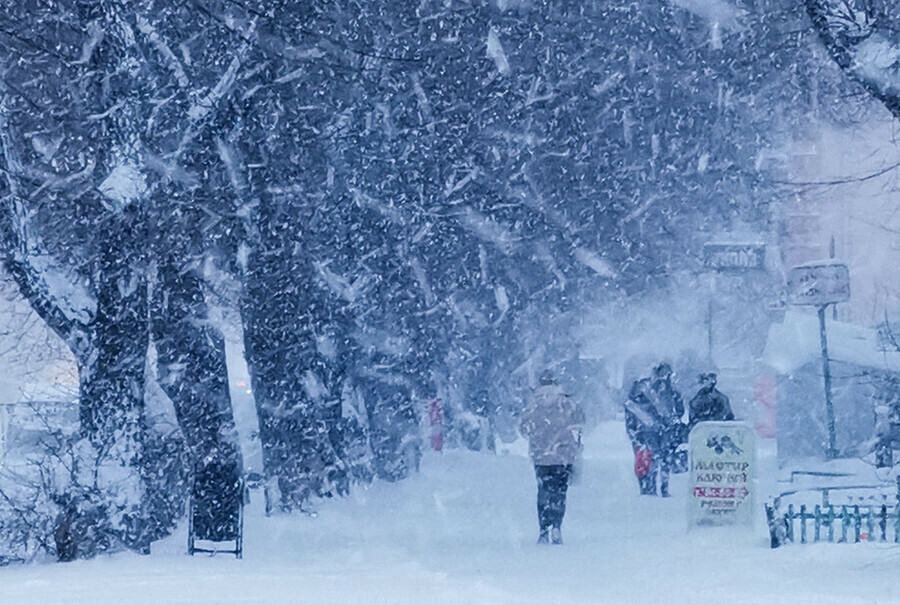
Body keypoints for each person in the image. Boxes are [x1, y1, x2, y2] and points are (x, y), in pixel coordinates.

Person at [520, 370, 585, 545]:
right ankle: (556, 526)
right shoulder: (566, 402)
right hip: (563, 454)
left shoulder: (533, 404)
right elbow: (580, 422)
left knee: (543, 491)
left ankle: (543, 529)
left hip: (541, 455)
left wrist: (538, 438)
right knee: (560, 492)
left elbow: (523, 428)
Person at [625, 363, 685, 497]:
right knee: (660, 458)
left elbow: (632, 410)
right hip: (656, 430)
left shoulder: (646, 388)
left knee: (653, 458)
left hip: (651, 430)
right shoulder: (664, 390)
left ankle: (651, 487)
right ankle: (657, 487)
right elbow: (679, 409)